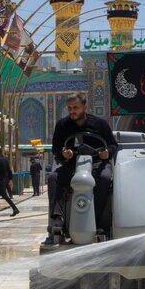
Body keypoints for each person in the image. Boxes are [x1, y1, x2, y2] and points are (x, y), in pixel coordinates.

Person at [49, 92, 118, 235]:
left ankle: (97, 219)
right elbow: (55, 148)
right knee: (54, 178)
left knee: (105, 178)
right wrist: (63, 153)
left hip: (97, 164)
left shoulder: (100, 124)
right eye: (69, 108)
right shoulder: (62, 125)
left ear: (85, 107)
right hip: (73, 165)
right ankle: (57, 219)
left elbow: (113, 145)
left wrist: (107, 153)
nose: (72, 111)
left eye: (75, 107)